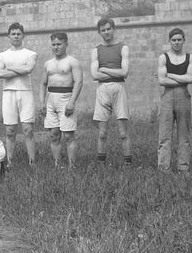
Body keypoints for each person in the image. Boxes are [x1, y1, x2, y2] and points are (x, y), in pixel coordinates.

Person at [90, 18, 132, 166]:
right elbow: (94, 75)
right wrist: (116, 72)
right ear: (99, 32)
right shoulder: (96, 50)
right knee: (102, 133)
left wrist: (104, 69)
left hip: (118, 88)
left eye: (108, 29)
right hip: (102, 90)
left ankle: (128, 165)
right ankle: (101, 166)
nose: (106, 32)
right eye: (103, 30)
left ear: (113, 29)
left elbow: (125, 72)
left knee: (123, 133)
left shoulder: (123, 47)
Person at [0, 22, 38, 168]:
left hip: (26, 92)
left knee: (28, 129)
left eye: (19, 33)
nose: (16, 36)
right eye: (13, 34)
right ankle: (10, 162)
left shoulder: (30, 54)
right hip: (8, 93)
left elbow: (29, 69)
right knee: (10, 130)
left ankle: (32, 162)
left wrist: (9, 68)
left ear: (23, 35)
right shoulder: (2, 55)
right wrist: (21, 68)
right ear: (8, 36)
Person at [39, 32, 83, 169]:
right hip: (51, 99)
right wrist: (41, 102)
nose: (56, 47)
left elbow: (79, 82)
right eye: (53, 45)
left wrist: (72, 102)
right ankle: (57, 165)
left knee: (69, 135)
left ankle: (72, 166)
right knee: (54, 135)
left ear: (66, 44)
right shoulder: (48, 64)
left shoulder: (72, 62)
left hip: (66, 98)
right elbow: (42, 84)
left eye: (59, 44)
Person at [157, 28, 192, 172]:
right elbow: (162, 81)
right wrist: (182, 79)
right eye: (174, 40)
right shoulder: (163, 58)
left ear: (184, 40)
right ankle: (163, 169)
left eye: (179, 39)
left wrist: (171, 75)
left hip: (184, 97)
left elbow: (190, 78)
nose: (177, 42)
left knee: (184, 136)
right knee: (164, 136)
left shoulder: (190, 58)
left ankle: (183, 168)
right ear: (169, 41)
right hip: (167, 97)